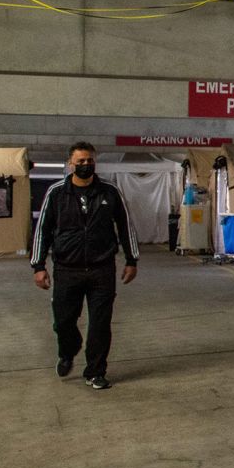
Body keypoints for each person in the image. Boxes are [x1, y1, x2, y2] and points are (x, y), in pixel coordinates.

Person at [30, 142, 139, 390]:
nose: (85, 165)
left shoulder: (110, 192)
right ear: (71, 164)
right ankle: (68, 350)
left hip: (102, 269)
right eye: (80, 161)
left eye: (89, 160)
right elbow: (42, 232)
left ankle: (95, 371)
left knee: (100, 323)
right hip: (67, 269)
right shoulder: (56, 193)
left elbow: (125, 225)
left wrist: (132, 260)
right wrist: (38, 266)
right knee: (64, 322)